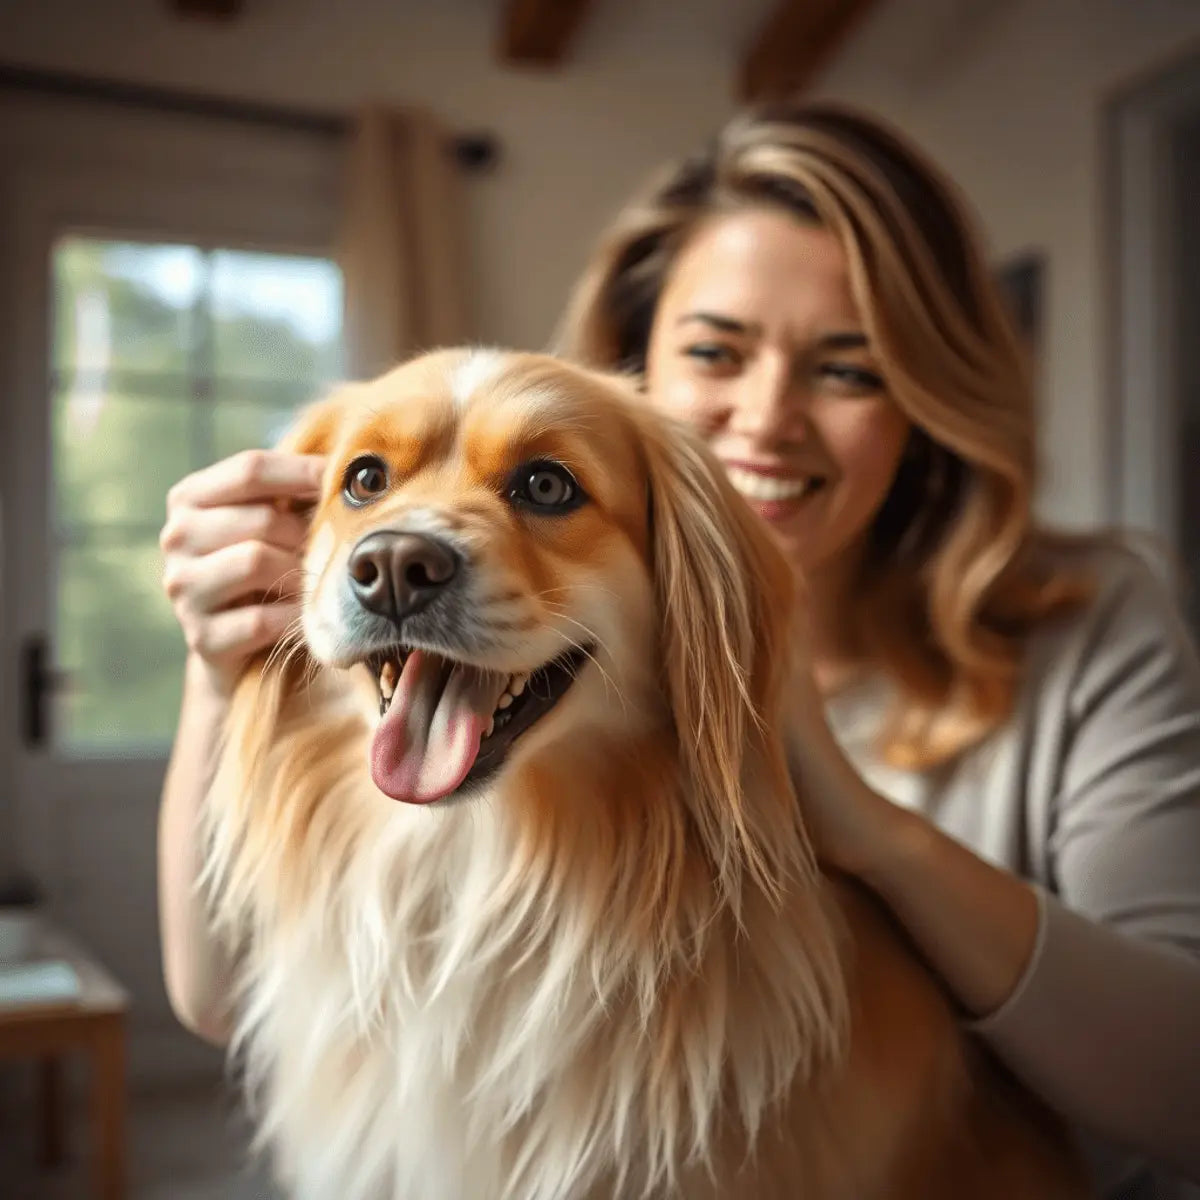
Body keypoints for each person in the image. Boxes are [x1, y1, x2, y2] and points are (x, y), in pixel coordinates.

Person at [158, 101, 1200, 1196]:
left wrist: (871, 834)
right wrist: (221, 671)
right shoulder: (485, 662)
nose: (765, 420)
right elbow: (221, 996)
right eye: (714, 351)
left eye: (848, 369)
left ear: (927, 403)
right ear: (635, 359)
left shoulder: (1087, 622)